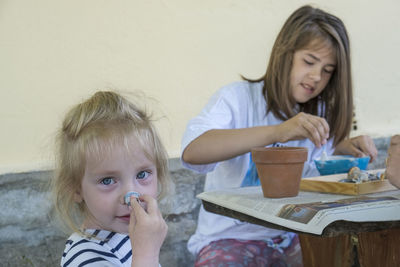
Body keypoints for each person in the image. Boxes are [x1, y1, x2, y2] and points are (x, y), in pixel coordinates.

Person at [181, 5, 378, 266]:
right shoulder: (237, 98)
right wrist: (277, 132)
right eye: (309, 61)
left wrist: (346, 146)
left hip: (294, 237)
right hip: (230, 240)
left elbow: (324, 151)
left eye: (328, 70)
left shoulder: (318, 112)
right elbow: (193, 151)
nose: (316, 76)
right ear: (285, 54)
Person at [51, 91, 172, 267]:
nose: (131, 198)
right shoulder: (84, 257)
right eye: (108, 180)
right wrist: (147, 256)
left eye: (142, 175)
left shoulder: (132, 237)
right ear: (76, 189)